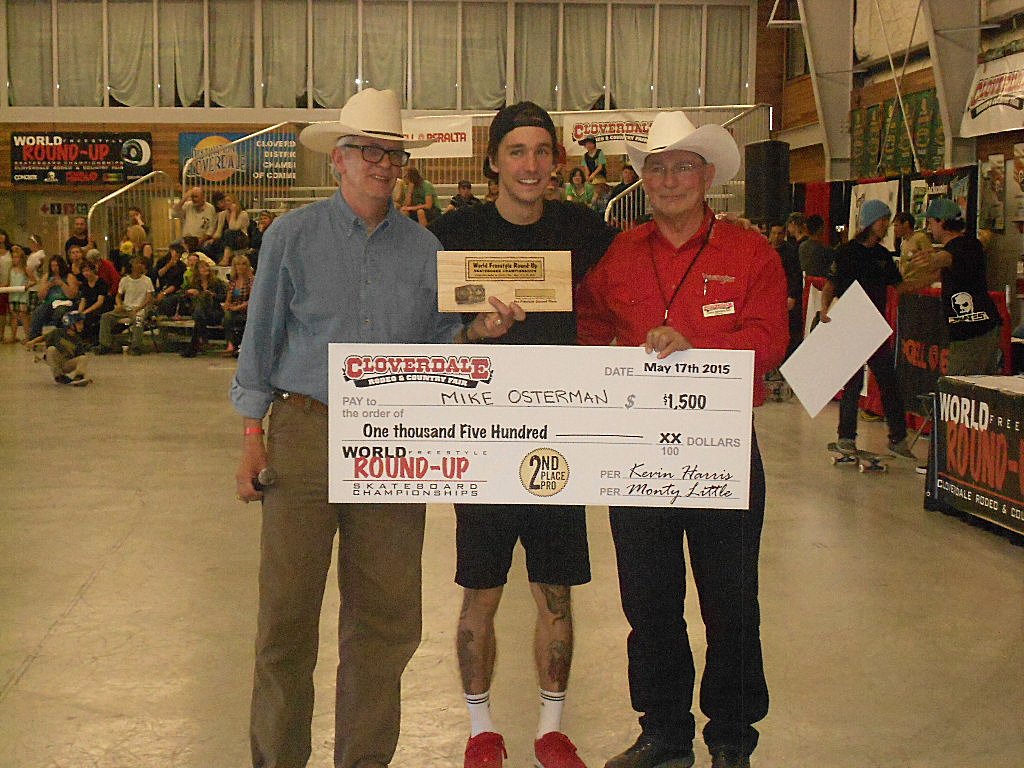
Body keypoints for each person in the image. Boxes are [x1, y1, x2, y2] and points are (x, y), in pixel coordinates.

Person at [231, 87, 519, 768]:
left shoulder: (424, 249)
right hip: (305, 433)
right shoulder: (291, 237)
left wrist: (476, 334)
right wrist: (251, 436)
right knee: (286, 619)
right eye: (369, 152)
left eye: (393, 155)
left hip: (394, 444)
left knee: (385, 621)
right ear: (338, 158)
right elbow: (260, 336)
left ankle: (363, 760)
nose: (383, 165)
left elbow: (437, 345)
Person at [575, 110, 788, 768]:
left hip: (721, 450)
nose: (669, 180)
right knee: (649, 601)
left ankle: (731, 736)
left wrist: (698, 344)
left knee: (732, 602)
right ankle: (664, 731)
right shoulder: (620, 254)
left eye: (683, 167)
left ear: (708, 175)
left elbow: (770, 340)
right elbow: (586, 323)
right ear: (643, 178)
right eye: (657, 168)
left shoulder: (750, 253)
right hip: (637, 454)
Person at [430, 100, 618, 768]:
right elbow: (423, 331)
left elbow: (630, 292)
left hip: (556, 441)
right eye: (517, 151)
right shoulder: (455, 233)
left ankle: (551, 729)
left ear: (557, 162)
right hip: (482, 440)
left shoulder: (582, 230)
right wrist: (470, 333)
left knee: (556, 594)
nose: (530, 165)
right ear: (493, 162)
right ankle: (481, 729)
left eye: (542, 151)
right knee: (480, 591)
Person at [820, 199, 930, 458]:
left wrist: (928, 278)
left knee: (888, 380)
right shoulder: (846, 252)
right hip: (851, 323)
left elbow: (899, 286)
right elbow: (830, 285)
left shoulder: (883, 255)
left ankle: (898, 437)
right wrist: (824, 311)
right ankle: (846, 436)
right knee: (853, 381)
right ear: (870, 222)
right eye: (882, 220)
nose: (885, 225)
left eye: (887, 221)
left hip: (874, 325)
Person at [921, 197, 1002, 375]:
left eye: (931, 223)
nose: (929, 228)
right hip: (976, 330)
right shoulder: (969, 245)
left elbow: (947, 258)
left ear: (941, 222)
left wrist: (931, 259)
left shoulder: (963, 246)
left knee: (959, 384)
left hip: (974, 332)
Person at [96, 256, 155, 355]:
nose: (140, 265)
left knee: (138, 319)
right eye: (137, 263)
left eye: (141, 263)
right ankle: (105, 345)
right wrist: (119, 304)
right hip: (125, 308)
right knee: (105, 317)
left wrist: (139, 308)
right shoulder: (124, 280)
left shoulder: (147, 280)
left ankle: (136, 347)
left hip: (139, 308)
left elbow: (149, 297)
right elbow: (118, 296)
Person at [179, 260, 227, 358]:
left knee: (203, 301)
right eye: (202, 267)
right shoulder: (193, 283)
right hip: (200, 314)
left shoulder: (217, 282)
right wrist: (188, 292)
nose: (206, 269)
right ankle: (199, 341)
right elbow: (181, 295)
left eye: (206, 266)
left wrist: (213, 295)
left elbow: (224, 296)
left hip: (214, 313)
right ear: (197, 271)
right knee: (200, 311)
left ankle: (194, 346)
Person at [35, 311, 92, 386]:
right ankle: (58, 376)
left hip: (67, 363)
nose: (82, 326)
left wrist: (84, 372)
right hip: (58, 360)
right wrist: (32, 342)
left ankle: (78, 376)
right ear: (70, 324)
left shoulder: (77, 339)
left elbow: (80, 356)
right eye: (79, 323)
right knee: (51, 349)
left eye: (82, 323)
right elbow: (44, 337)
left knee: (83, 358)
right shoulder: (58, 332)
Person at [222, 253, 253, 356]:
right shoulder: (233, 281)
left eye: (243, 264)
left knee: (230, 316)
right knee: (227, 316)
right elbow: (228, 299)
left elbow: (252, 300)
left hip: (247, 309)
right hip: (234, 309)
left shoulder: (251, 281)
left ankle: (237, 344)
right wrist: (227, 305)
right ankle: (230, 344)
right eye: (238, 264)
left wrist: (237, 307)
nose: (240, 267)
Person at [893, 211, 936, 281]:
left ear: (906, 224)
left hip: (919, 282)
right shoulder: (903, 244)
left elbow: (931, 258)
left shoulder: (920, 237)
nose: (895, 230)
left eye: (896, 225)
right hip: (907, 282)